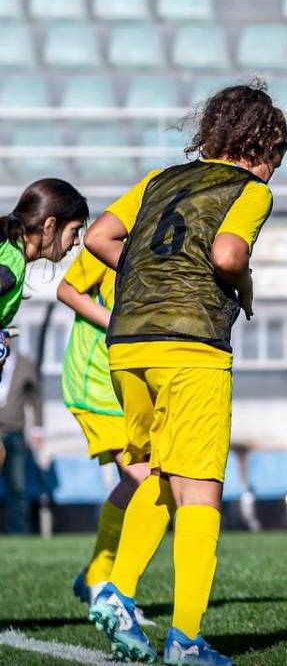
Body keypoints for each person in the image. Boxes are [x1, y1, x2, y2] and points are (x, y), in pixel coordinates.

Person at [85, 82, 287, 666]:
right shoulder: (249, 190)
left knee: (157, 473)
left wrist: (154, 269)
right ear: (262, 146)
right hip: (190, 343)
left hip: (127, 343)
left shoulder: (157, 181)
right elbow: (227, 255)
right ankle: (185, 641)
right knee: (200, 491)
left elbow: (101, 237)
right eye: (276, 158)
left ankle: (117, 594)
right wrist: (241, 281)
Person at [58, 246, 157, 610]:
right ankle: (107, 586)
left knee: (147, 482)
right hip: (95, 384)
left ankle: (96, 578)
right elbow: (67, 289)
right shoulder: (113, 236)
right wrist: (114, 321)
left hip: (132, 384)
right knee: (144, 480)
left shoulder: (167, 244)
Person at [0, 177, 90, 487]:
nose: (76, 241)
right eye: (74, 231)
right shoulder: (10, 263)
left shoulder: (10, 254)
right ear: (50, 225)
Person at [0, 352, 42, 534]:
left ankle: (19, 533)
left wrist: (38, 428)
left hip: (15, 432)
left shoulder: (24, 363)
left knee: (18, 486)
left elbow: (35, 396)